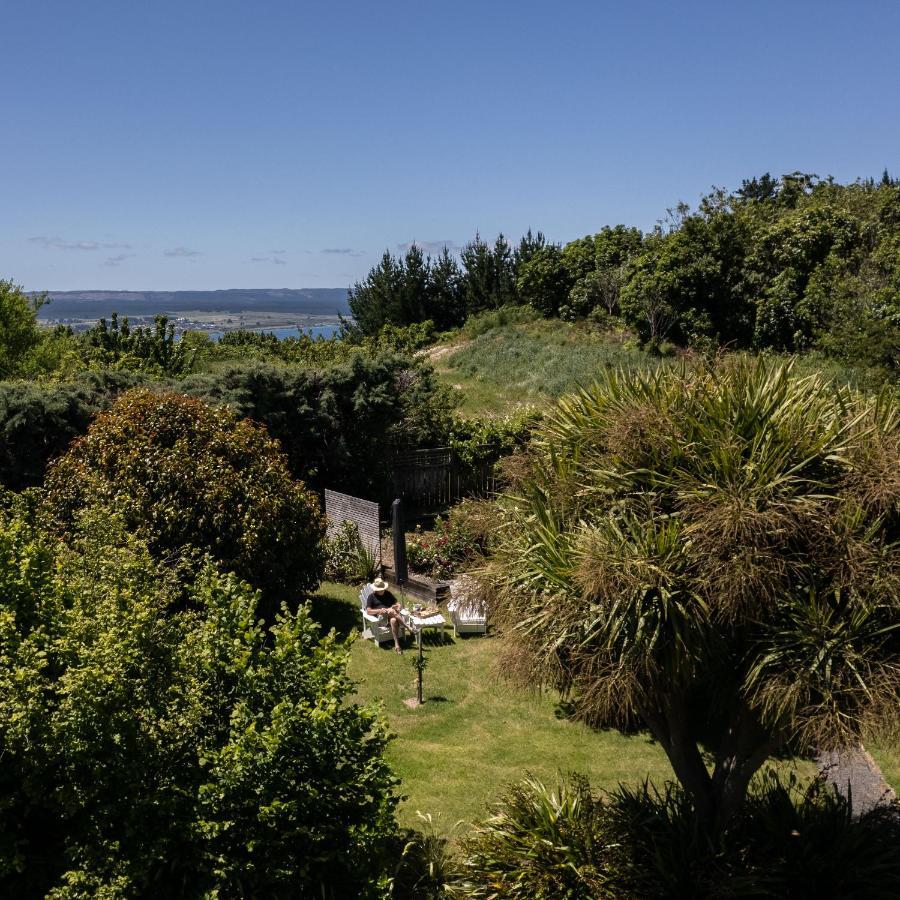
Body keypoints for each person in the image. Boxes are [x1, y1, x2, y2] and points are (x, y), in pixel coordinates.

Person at [367, 577, 406, 653]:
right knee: (391, 611)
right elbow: (368, 611)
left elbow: (397, 603)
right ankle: (406, 626)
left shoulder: (387, 593)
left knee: (393, 620)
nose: (382, 591)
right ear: (375, 589)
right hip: (380, 619)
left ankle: (397, 645)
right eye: (380, 590)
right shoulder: (371, 597)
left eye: (382, 589)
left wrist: (398, 606)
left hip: (391, 616)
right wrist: (379, 610)